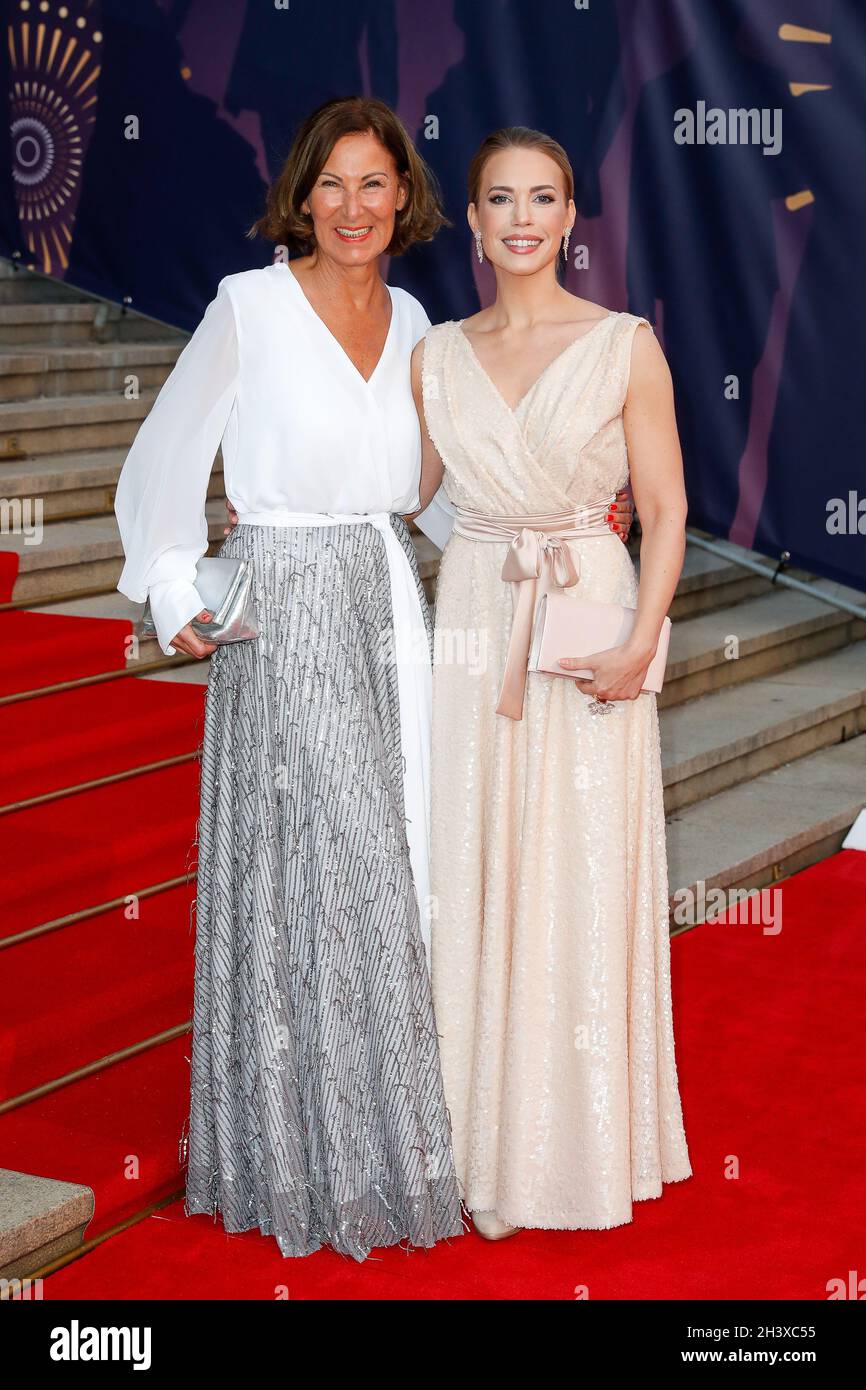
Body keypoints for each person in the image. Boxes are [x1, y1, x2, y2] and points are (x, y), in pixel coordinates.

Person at [113, 97, 470, 1262]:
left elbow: (427, 487)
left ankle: (373, 1144)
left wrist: (537, 531)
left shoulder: (416, 316)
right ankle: (317, 1154)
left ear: (401, 197)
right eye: (333, 184)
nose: (355, 207)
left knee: (387, 854)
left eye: (376, 185)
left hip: (384, 597)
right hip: (282, 605)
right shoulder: (247, 306)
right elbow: (164, 452)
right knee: (331, 866)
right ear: (301, 195)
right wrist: (177, 591)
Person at [410, 126, 693, 1241]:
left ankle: (570, 1144)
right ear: (471, 222)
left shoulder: (625, 343)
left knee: (575, 868)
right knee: (473, 857)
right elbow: (401, 492)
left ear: (570, 219)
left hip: (586, 611)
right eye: (498, 199)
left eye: (542, 198)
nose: (521, 217)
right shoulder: (435, 355)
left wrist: (638, 637)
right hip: (477, 611)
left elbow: (668, 510)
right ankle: (469, 1136)